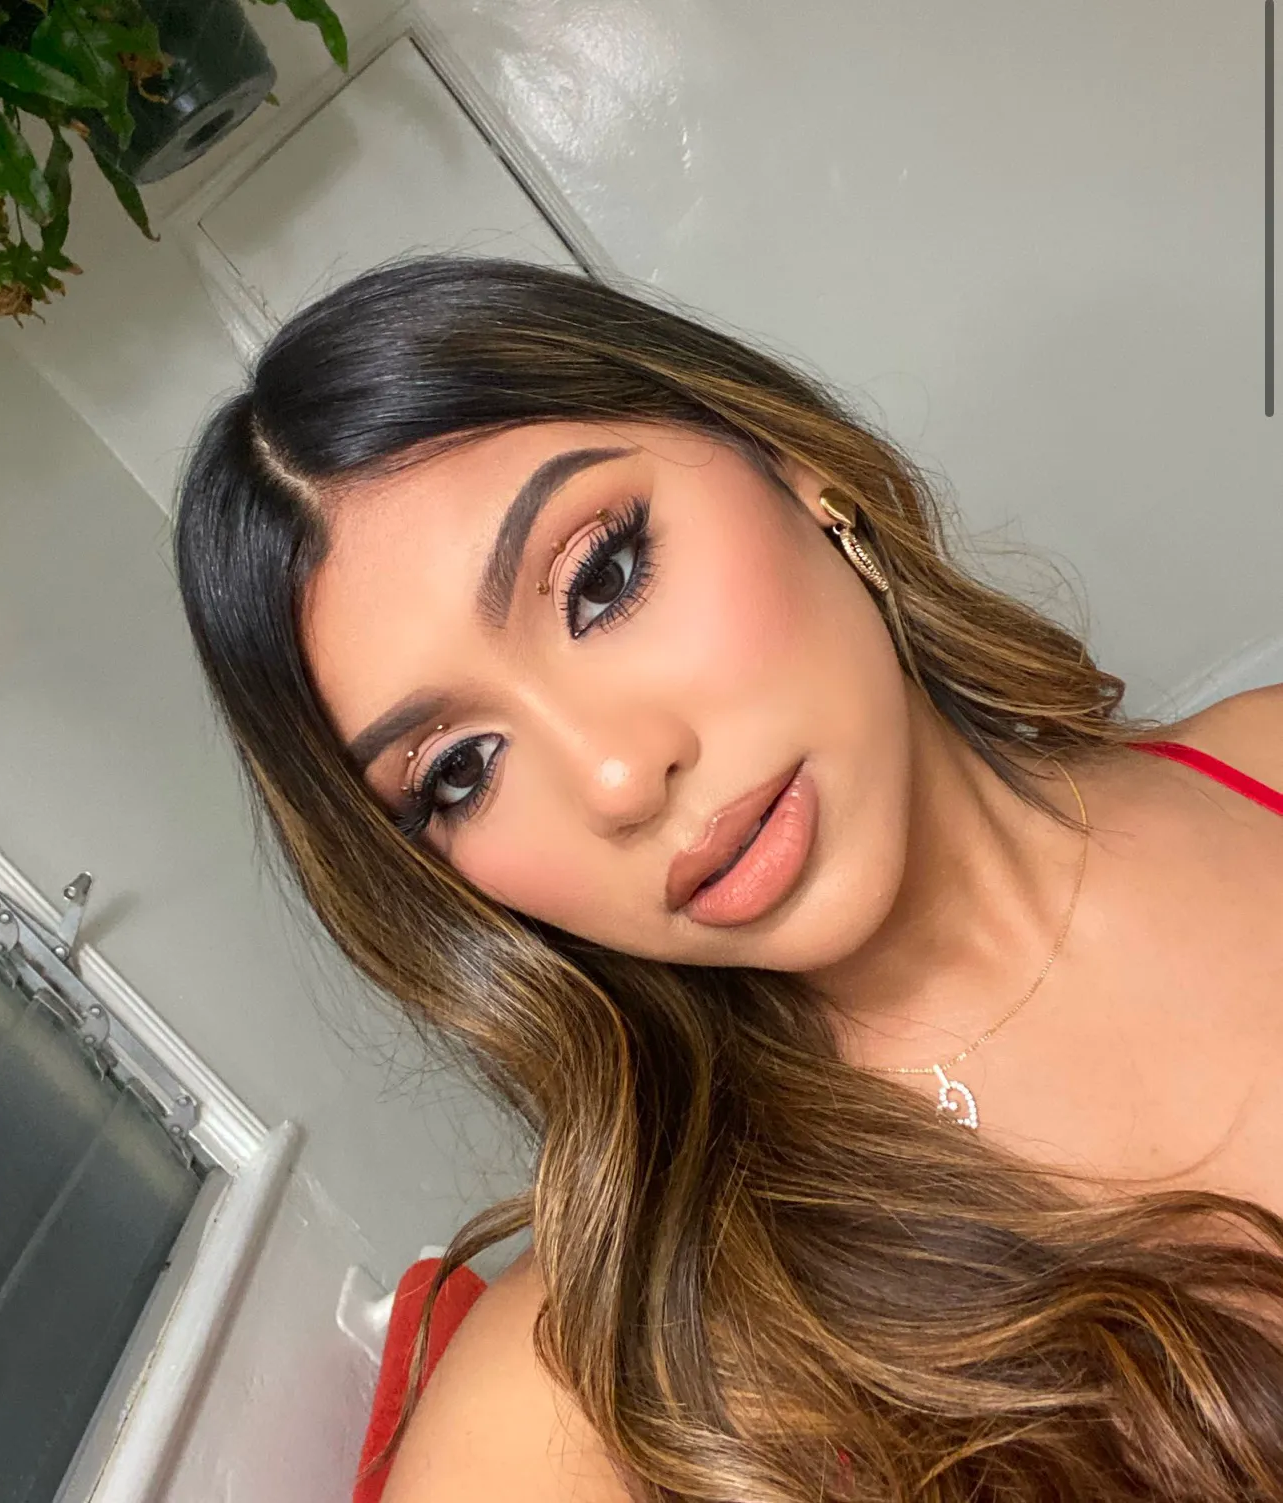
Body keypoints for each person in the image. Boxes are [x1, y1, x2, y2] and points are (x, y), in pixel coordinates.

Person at [173, 256, 1283, 1503]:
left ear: (795, 468)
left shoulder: (1268, 758)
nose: (616, 777)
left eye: (602, 579)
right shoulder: (615, 1381)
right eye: (460, 772)